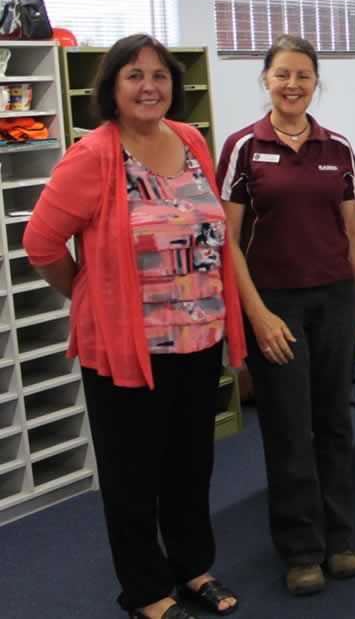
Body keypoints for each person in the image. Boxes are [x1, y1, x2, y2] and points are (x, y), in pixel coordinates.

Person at [23, 34, 244, 619]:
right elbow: (40, 242)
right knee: (132, 477)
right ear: (112, 89)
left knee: (190, 466)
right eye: (134, 76)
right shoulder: (93, 155)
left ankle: (192, 567)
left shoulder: (192, 139)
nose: (149, 86)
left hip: (200, 338)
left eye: (160, 76)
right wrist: (89, 293)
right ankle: (146, 591)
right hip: (128, 349)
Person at [216, 34, 355, 596]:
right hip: (276, 304)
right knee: (289, 427)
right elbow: (228, 241)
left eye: (303, 76)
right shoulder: (243, 147)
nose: (293, 85)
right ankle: (300, 549)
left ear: (316, 83)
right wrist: (256, 314)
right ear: (265, 79)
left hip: (334, 298)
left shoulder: (337, 148)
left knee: (334, 421)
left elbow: (354, 234)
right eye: (282, 74)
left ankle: (340, 539)